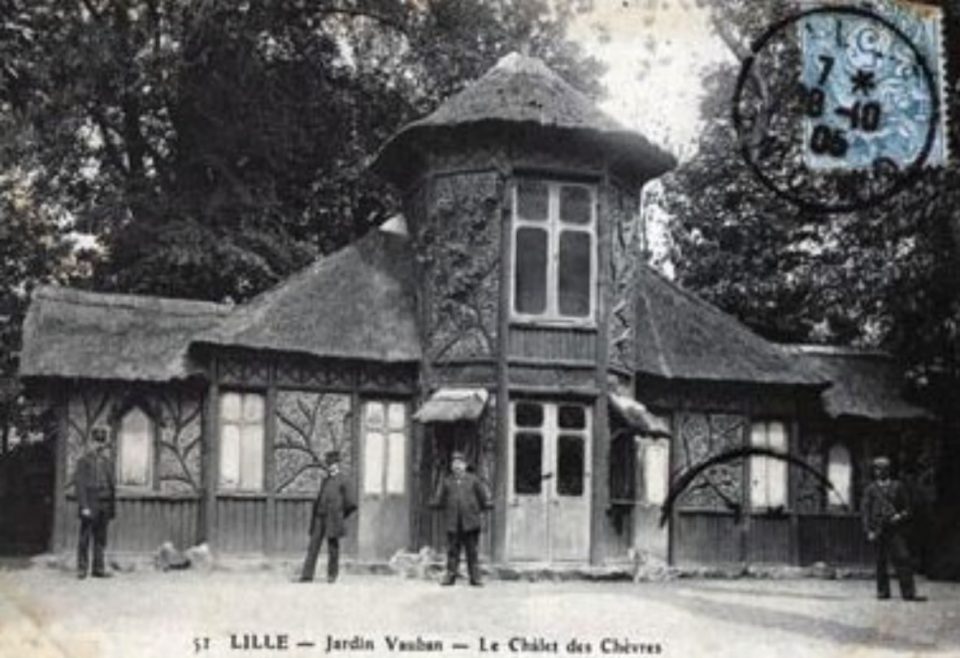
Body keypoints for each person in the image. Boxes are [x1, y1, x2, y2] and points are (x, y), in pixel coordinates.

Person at [861, 456, 923, 601]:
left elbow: (908, 509)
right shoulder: (870, 489)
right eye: (876, 468)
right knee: (880, 562)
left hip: (895, 530)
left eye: (882, 468)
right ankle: (883, 592)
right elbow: (865, 511)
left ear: (888, 470)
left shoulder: (898, 487)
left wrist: (899, 517)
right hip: (878, 529)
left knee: (903, 558)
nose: (879, 472)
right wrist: (868, 530)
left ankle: (908, 593)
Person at [431, 451, 493, 587]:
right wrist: (436, 503)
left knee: (472, 551)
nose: (457, 466)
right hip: (453, 523)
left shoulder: (473, 480)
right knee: (452, 551)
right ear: (452, 467)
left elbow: (483, 499)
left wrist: (476, 512)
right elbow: (441, 500)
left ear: (465, 465)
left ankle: (475, 578)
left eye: (460, 464)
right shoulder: (447, 482)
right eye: (454, 464)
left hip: (470, 523)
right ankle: (450, 576)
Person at [300, 450, 356, 583]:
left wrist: (341, 515)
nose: (331, 466)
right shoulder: (325, 480)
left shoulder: (344, 480)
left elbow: (351, 503)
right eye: (329, 464)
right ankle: (307, 575)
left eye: (334, 464)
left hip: (334, 518)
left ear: (338, 465)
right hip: (320, 517)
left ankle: (332, 575)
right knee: (313, 545)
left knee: (333, 547)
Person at [74, 429, 116, 579]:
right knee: (85, 538)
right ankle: (82, 569)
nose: (100, 445)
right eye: (97, 442)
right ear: (91, 442)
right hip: (90, 503)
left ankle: (98, 569)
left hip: (105, 503)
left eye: (102, 442)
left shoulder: (108, 462)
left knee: (101, 538)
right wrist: (84, 506)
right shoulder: (83, 461)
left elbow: (112, 485)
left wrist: (111, 507)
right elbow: (79, 485)